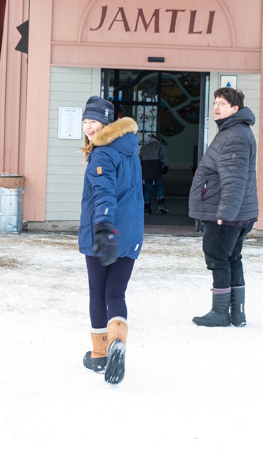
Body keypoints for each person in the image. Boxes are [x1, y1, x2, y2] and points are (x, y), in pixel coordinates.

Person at [78, 95, 144, 384]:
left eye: (94, 121)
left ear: (106, 123)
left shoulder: (102, 153)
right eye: (85, 121)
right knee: (116, 294)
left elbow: (104, 193)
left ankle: (101, 353)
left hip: (105, 232)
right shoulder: (129, 150)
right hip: (131, 234)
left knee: (98, 293)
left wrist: (103, 226)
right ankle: (119, 342)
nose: (89, 127)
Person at [188, 87, 258, 327]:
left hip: (227, 214)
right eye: (215, 103)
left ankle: (220, 313)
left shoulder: (234, 135)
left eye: (221, 103)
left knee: (219, 259)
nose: (216, 107)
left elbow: (234, 179)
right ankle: (237, 314)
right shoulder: (235, 131)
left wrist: (225, 213)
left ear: (234, 109)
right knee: (232, 259)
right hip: (238, 213)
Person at [139, 134, 169, 215]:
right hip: (157, 169)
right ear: (158, 141)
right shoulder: (160, 147)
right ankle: (161, 205)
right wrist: (165, 166)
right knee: (159, 186)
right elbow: (163, 157)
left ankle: (146, 209)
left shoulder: (143, 148)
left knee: (148, 188)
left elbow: (139, 159)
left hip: (146, 170)